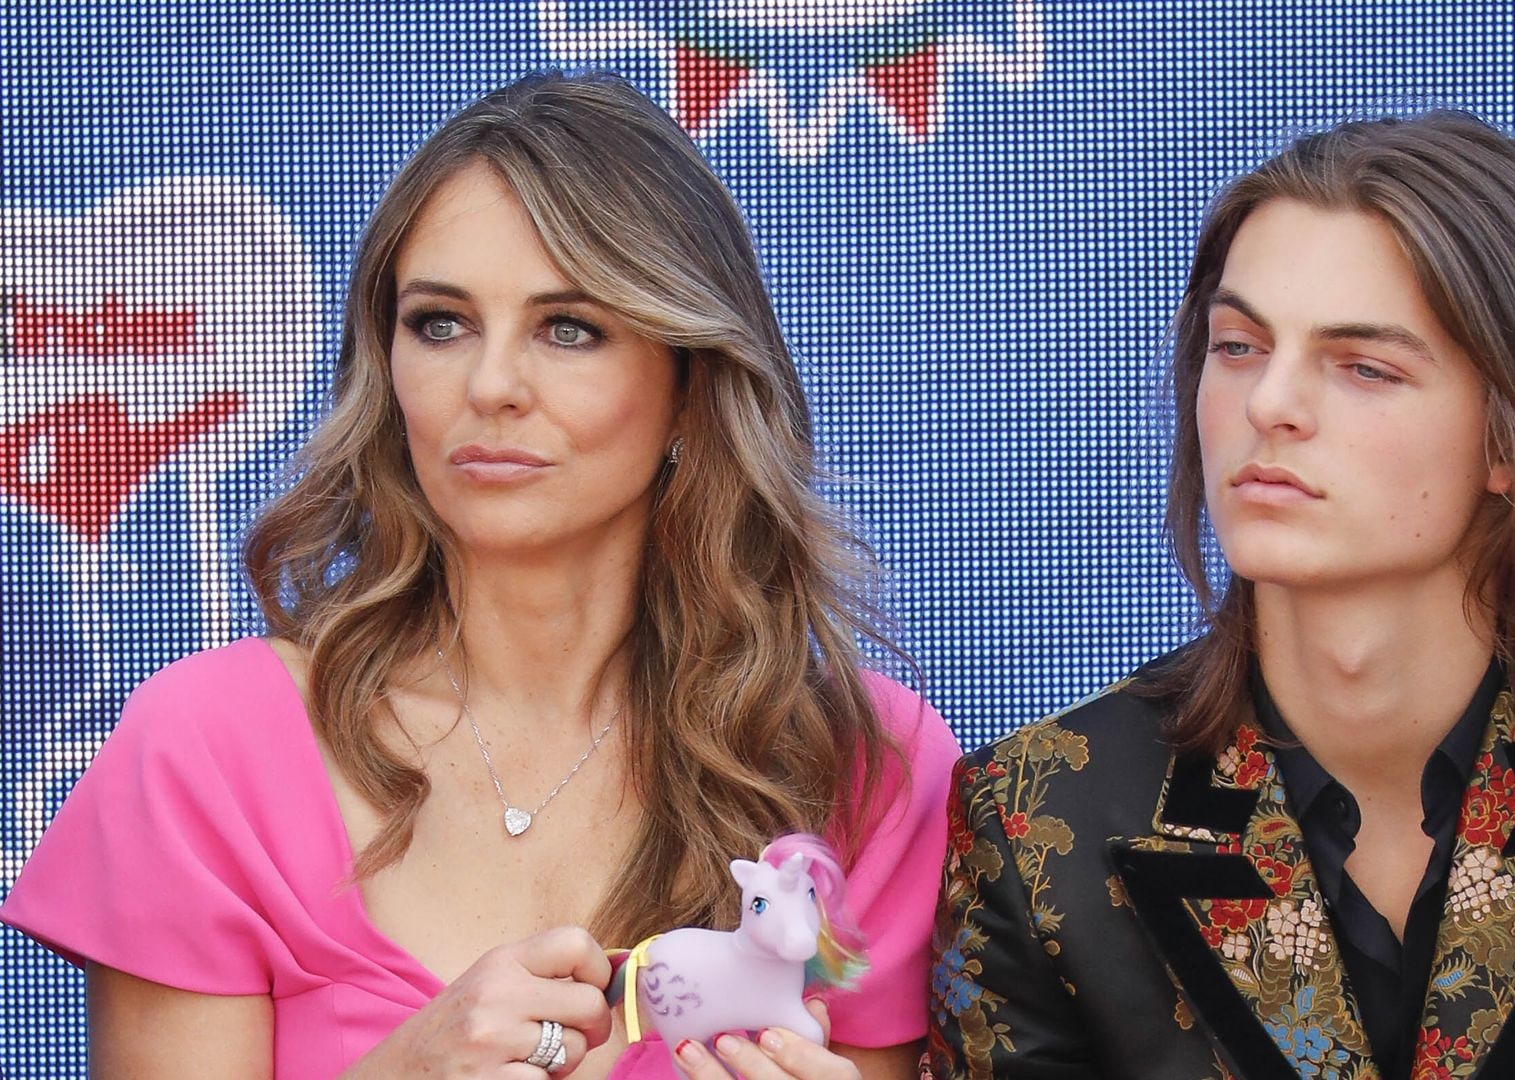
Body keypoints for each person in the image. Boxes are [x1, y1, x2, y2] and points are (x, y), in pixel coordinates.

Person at [1, 71, 959, 1080]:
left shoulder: (862, 774)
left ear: (690, 385)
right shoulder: (211, 749)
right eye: (441, 323)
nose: (490, 386)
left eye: (569, 328)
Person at [928, 111, 1515, 1079]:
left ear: (1514, 435)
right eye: (1238, 346)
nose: (1269, 403)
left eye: (1364, 367)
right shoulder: (1035, 816)